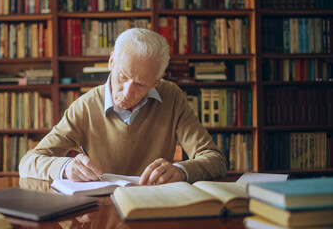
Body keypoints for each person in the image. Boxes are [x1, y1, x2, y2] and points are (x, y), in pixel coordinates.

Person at [19, 28, 227, 185]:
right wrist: (65, 167)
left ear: (157, 81)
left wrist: (182, 170)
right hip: (100, 211)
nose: (127, 92)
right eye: (123, 77)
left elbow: (215, 159)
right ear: (111, 61)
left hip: (154, 207)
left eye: (140, 84)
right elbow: (28, 162)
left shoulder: (171, 96)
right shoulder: (85, 107)